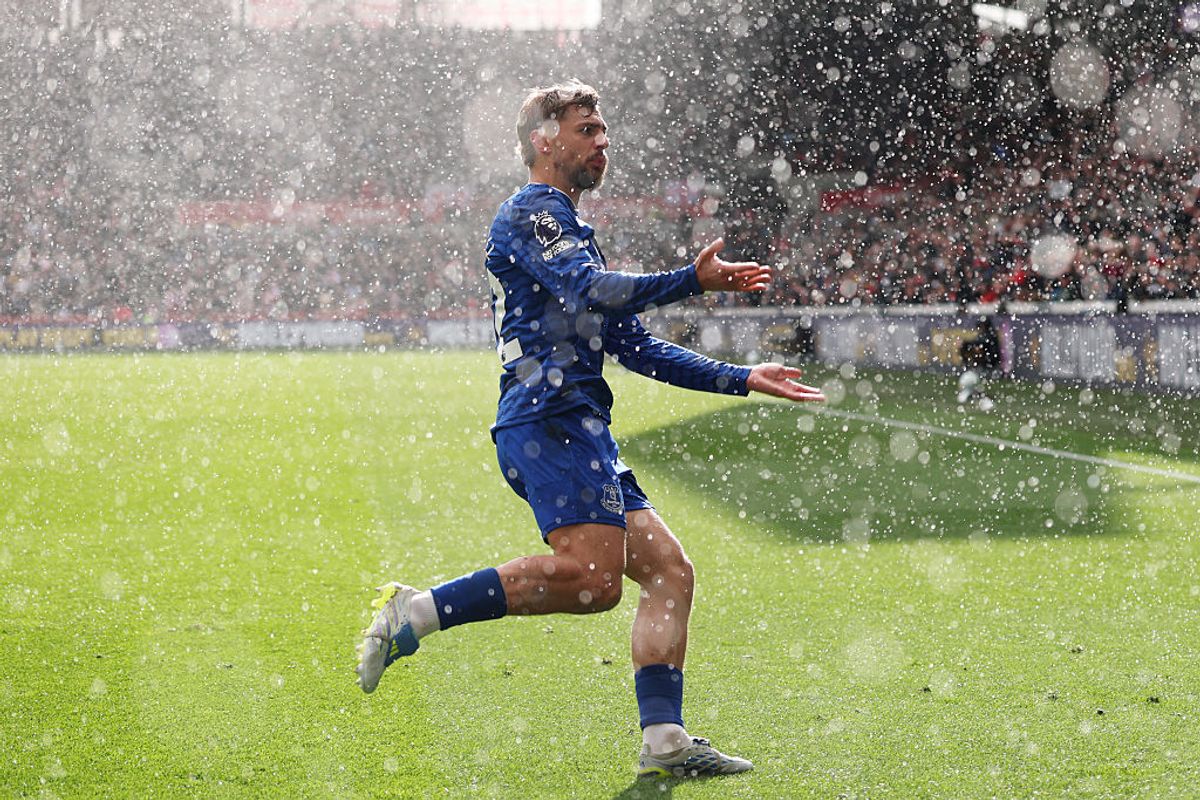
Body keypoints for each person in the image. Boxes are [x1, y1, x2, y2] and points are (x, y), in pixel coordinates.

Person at [355, 80, 826, 779]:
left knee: (669, 572)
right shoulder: (532, 212)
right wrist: (689, 281)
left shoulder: (572, 230)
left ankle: (664, 742)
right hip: (545, 421)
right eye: (587, 130)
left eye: (604, 131)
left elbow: (635, 347)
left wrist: (740, 378)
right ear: (545, 142)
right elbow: (591, 291)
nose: (602, 142)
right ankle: (415, 613)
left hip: (579, 427)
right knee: (596, 582)